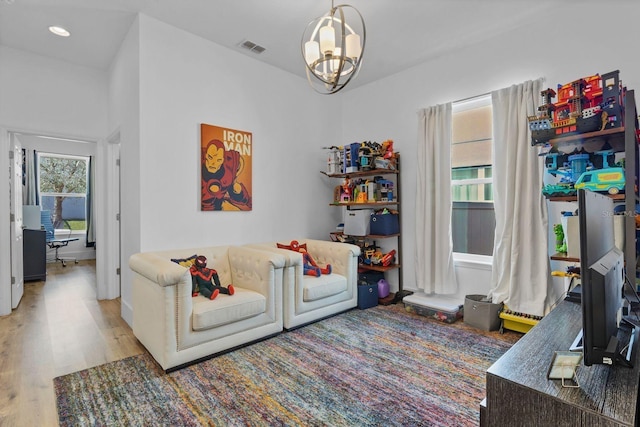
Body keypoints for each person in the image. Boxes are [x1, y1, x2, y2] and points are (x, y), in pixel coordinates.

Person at [201, 139, 251, 211]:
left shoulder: (228, 172)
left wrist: (238, 192)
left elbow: (238, 197)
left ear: (222, 160)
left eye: (218, 160)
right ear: (205, 155)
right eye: (210, 157)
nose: (213, 163)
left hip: (221, 205)